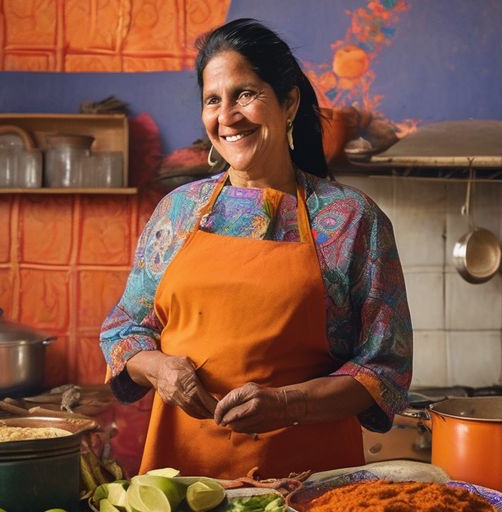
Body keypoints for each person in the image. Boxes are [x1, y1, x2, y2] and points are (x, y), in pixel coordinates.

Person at [99, 18, 412, 479]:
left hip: (309, 482)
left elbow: (384, 369)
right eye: (213, 100)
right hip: (184, 480)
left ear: (288, 102)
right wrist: (160, 369)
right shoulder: (177, 212)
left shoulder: (351, 220)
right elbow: (123, 331)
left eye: (245, 94)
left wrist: (290, 403)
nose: (226, 116)